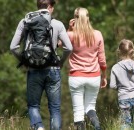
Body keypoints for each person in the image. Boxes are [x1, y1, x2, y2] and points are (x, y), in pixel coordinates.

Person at [10, 0, 73, 130]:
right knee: (54, 108)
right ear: (49, 6)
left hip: (33, 69)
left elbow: (13, 47)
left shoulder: (25, 22)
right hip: (53, 69)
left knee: (33, 106)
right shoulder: (57, 24)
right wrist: (60, 62)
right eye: (53, 7)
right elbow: (69, 48)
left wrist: (25, 61)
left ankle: (38, 127)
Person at [67, 7, 107, 130]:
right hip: (94, 76)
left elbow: (59, 44)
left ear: (75, 19)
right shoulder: (97, 34)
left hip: (76, 76)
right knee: (90, 107)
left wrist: (69, 29)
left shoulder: (70, 35)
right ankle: (97, 126)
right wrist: (104, 76)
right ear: (88, 18)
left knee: (78, 111)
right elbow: (102, 60)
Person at [109, 39, 134, 130]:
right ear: (132, 50)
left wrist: (120, 87)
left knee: (125, 124)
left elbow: (112, 85)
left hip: (123, 98)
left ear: (119, 51)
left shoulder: (115, 67)